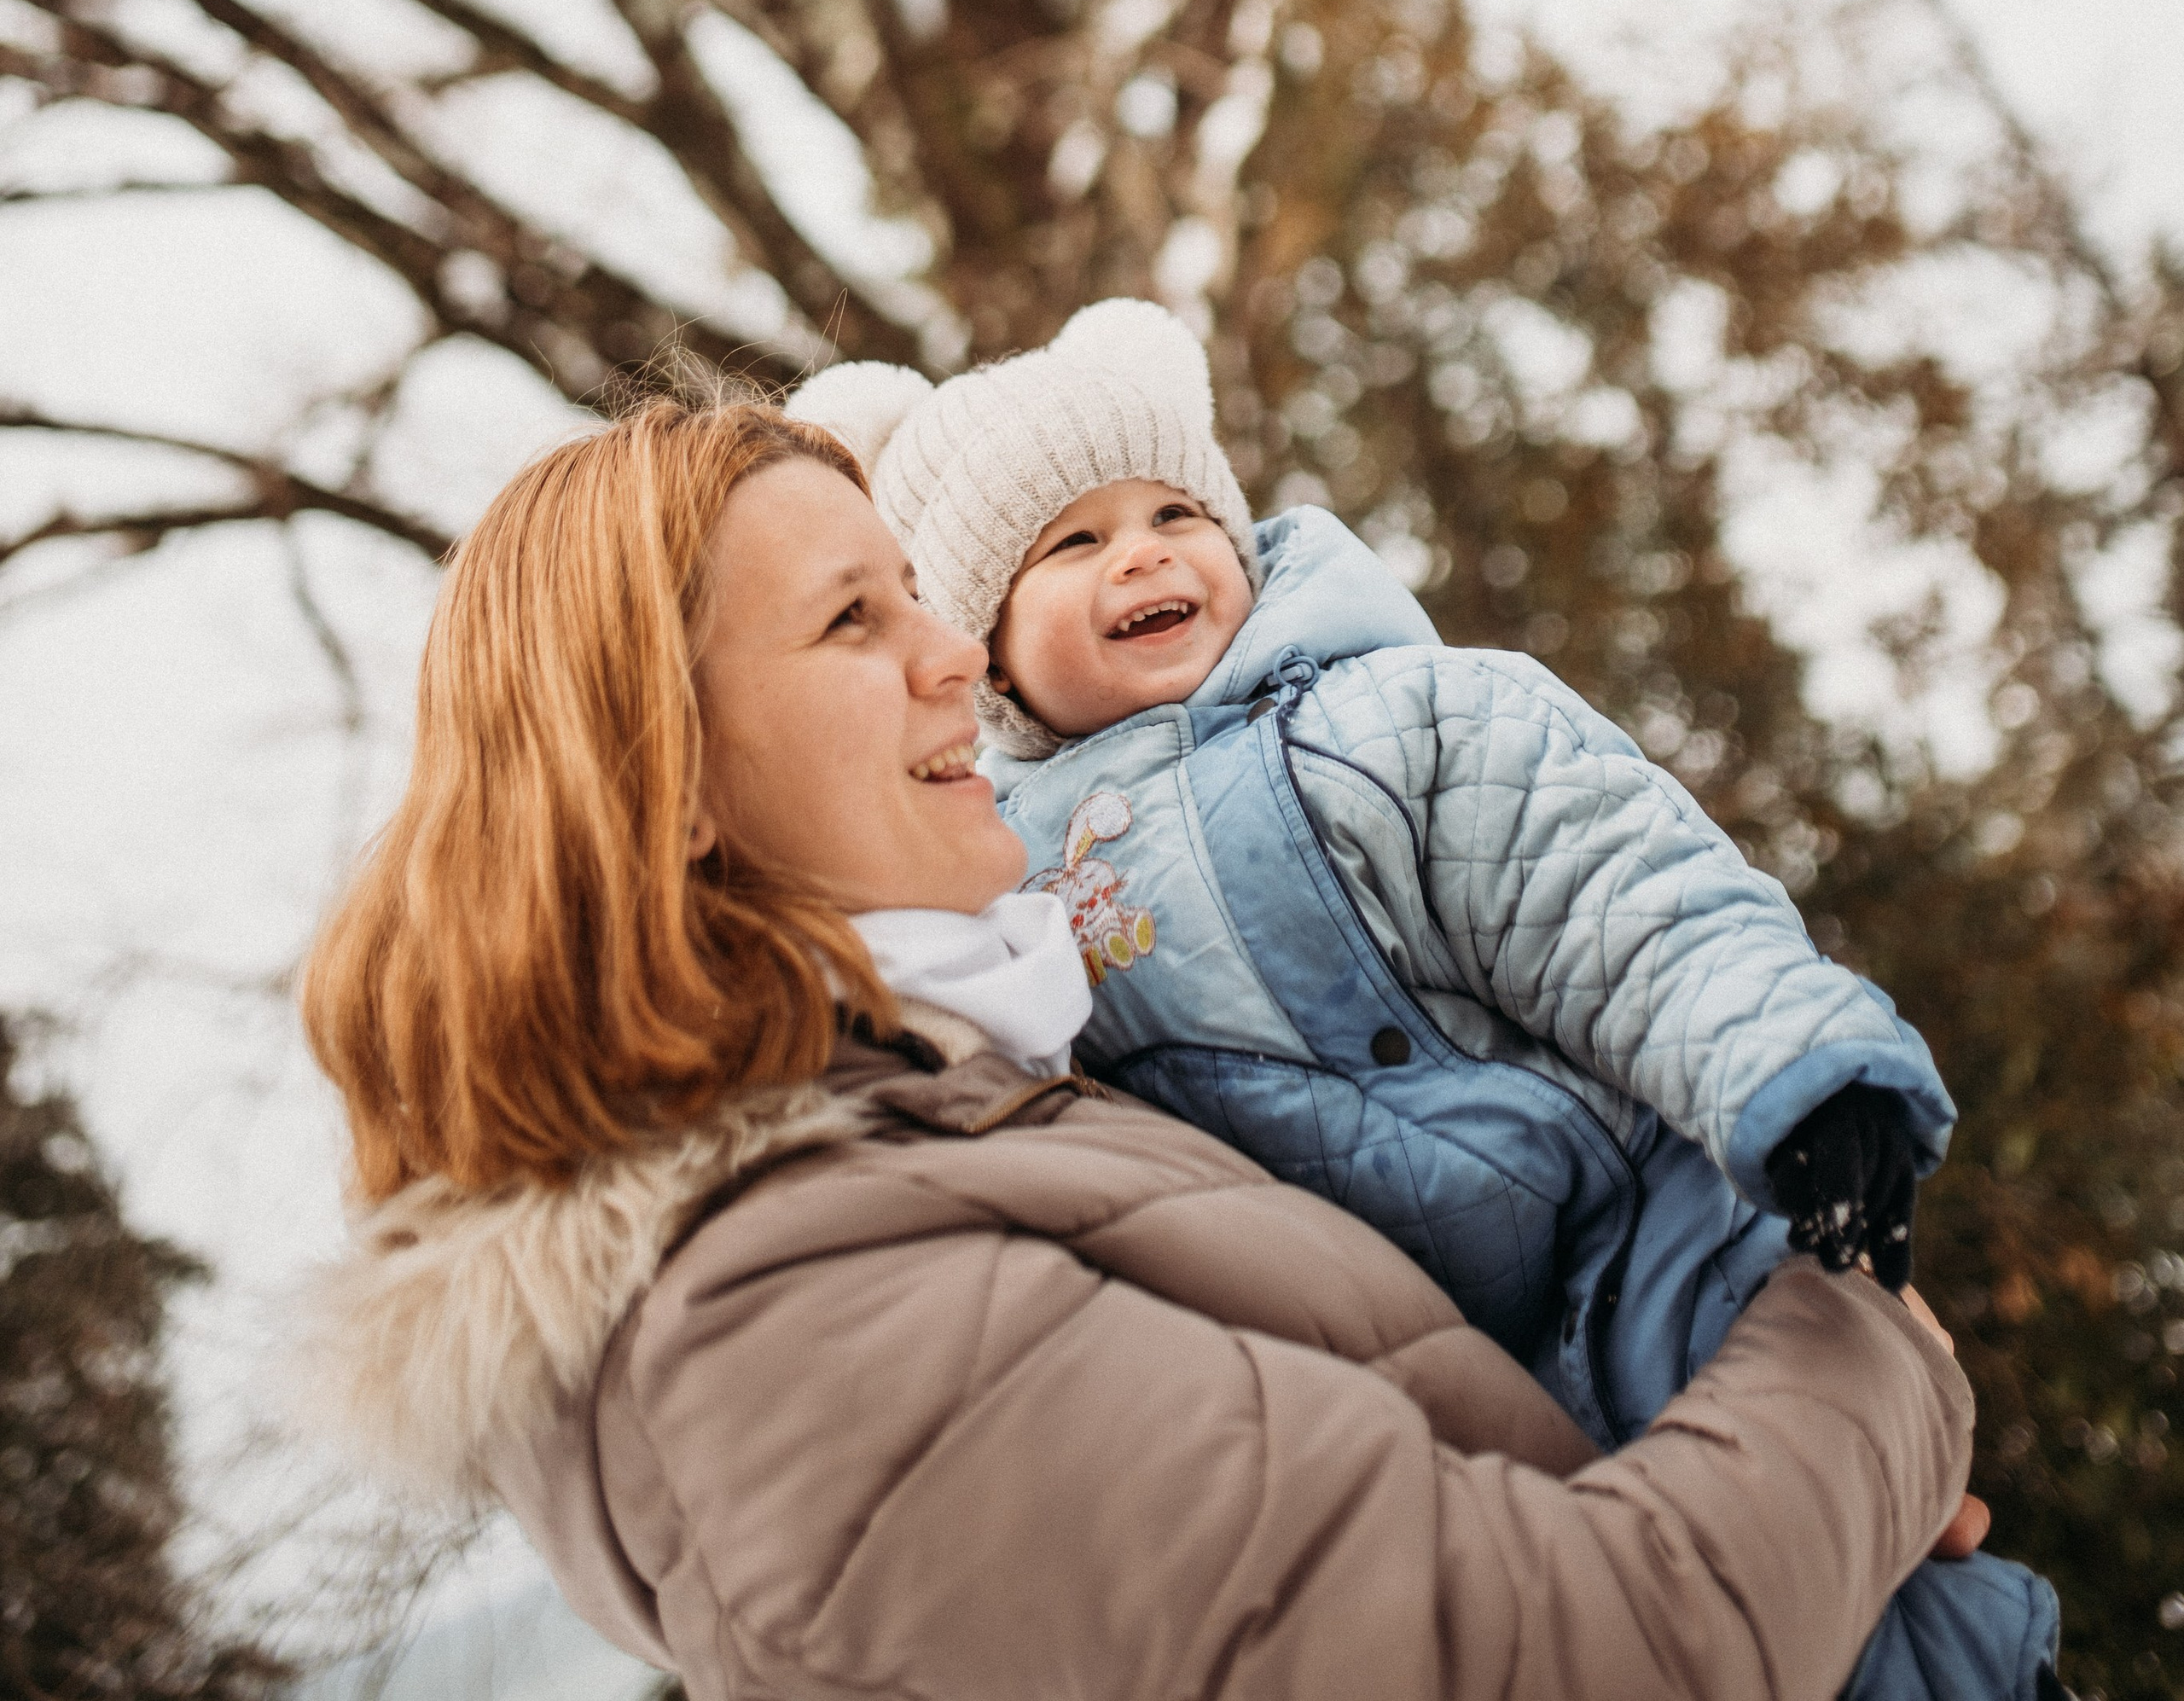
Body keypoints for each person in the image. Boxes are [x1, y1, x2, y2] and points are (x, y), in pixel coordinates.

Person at [294, 397, 1988, 1701]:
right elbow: (1556, 1658)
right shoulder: (781, 1324)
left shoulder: (977, 1108)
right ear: (659, 781)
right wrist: (1860, 1358)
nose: (950, 652)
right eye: (850, 621)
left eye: (919, 594)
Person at [789, 304, 2064, 1701]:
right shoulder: (1007, 875)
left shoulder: (1391, 718)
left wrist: (1798, 1074)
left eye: (1174, 511)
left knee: (1842, 1573)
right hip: (1414, 1363)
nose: (1144, 551)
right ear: (984, 643)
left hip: (1640, 1222)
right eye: (1072, 543)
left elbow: (1615, 889)